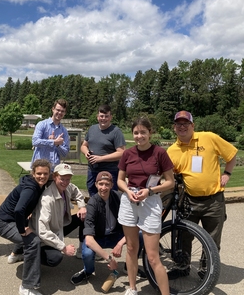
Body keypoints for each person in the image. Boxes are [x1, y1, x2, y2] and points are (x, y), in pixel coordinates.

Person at [167, 111, 238, 277]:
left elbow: (232, 154)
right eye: (179, 124)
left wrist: (227, 173)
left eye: (186, 123)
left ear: (193, 125)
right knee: (184, 236)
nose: (182, 126)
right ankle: (182, 267)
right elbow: (169, 174)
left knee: (213, 238)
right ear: (174, 127)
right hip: (188, 200)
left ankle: (206, 269)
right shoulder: (172, 151)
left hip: (213, 200)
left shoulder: (209, 137)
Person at [117, 117, 175, 295]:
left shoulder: (159, 153)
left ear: (151, 133)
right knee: (132, 248)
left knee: (152, 256)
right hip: (129, 200)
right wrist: (127, 191)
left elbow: (170, 182)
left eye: (143, 132)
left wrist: (150, 191)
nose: (139, 136)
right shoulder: (127, 154)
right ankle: (132, 288)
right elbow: (120, 180)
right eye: (136, 132)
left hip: (149, 200)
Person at [70, 171, 145, 286]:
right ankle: (88, 271)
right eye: (100, 184)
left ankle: (129, 266)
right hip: (97, 237)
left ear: (111, 185)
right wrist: (110, 258)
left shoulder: (120, 198)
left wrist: (120, 244)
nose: (103, 188)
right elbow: (89, 240)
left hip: (116, 234)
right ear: (96, 185)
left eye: (106, 184)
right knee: (87, 253)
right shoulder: (92, 204)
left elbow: (137, 223)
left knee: (140, 235)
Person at [0, 159, 50, 295]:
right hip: (4, 223)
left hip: (11, 220)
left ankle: (16, 254)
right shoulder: (30, 188)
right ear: (33, 173)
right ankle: (27, 287)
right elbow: (19, 210)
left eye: (45, 174)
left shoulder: (39, 183)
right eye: (39, 173)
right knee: (33, 241)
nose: (42, 176)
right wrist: (22, 230)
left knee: (31, 227)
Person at [29, 163, 87, 270]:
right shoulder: (47, 199)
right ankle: (31, 254)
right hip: (43, 237)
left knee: (84, 216)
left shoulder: (68, 187)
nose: (65, 182)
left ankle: (83, 250)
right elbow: (42, 231)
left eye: (68, 179)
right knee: (55, 258)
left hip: (59, 227)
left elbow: (77, 192)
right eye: (62, 178)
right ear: (55, 177)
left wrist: (82, 206)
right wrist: (63, 247)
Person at [80, 104, 126, 196]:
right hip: (92, 170)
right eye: (101, 116)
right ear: (97, 117)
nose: (103, 118)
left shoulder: (116, 131)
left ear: (110, 117)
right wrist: (86, 152)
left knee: (109, 197)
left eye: (106, 116)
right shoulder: (92, 129)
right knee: (93, 194)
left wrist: (100, 158)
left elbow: (121, 153)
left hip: (109, 171)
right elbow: (84, 145)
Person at [31, 99, 70, 171]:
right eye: (58, 110)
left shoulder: (64, 131)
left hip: (54, 170)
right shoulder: (42, 124)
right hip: (39, 169)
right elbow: (35, 141)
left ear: (65, 113)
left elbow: (65, 153)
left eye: (62, 111)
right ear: (53, 109)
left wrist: (58, 145)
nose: (60, 113)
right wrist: (53, 142)